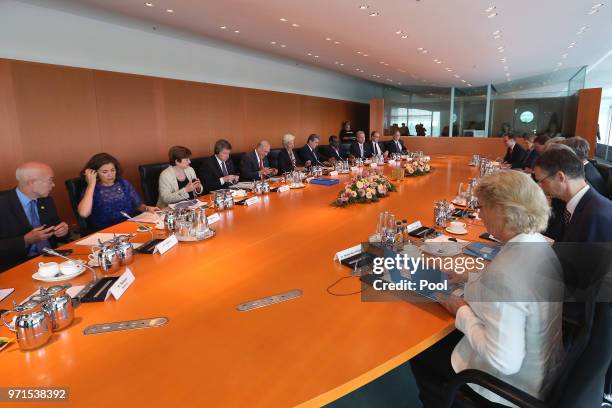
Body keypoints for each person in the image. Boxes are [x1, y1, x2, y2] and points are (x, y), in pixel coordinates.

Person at [411, 170, 564, 407]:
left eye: (481, 207)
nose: (479, 213)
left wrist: (460, 310)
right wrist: (466, 277)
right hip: (544, 368)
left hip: (509, 385)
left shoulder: (508, 274)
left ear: (502, 211)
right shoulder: (539, 244)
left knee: (422, 354)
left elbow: (504, 361)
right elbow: (512, 293)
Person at [0, 162, 69, 271]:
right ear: (32, 182)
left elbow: (55, 231)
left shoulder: (46, 200)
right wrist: (25, 240)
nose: (53, 185)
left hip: (51, 260)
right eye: (50, 180)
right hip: (16, 266)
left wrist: (63, 231)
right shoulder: (3, 203)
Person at [534, 146, 612, 242]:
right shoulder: (576, 203)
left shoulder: (596, 216)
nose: (539, 186)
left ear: (560, 177)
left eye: (541, 181)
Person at [78, 153, 158, 231]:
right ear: (95, 173)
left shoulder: (123, 183)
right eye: (105, 172)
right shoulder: (91, 189)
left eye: (112, 170)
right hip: (107, 232)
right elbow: (84, 213)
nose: (110, 174)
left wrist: (147, 208)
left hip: (131, 226)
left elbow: (137, 205)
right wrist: (91, 184)